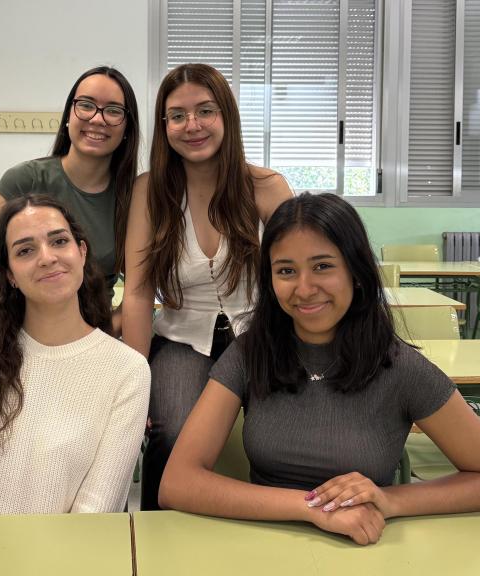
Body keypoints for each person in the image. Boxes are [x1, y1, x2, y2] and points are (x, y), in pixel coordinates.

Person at [157, 193, 480, 544]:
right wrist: (313, 508)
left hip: (364, 547)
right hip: (265, 543)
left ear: (356, 272)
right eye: (286, 271)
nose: (304, 288)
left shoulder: (400, 366)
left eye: (323, 266)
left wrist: (390, 501)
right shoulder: (250, 352)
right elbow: (177, 483)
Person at [0, 194, 150, 516]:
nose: (47, 258)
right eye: (25, 250)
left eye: (59, 241)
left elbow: (95, 510)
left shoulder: (127, 369)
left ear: (82, 251)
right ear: (9, 275)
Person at [123, 63, 294, 510]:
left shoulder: (265, 187)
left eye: (205, 111)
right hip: (180, 337)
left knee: (277, 439)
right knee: (172, 431)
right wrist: (135, 382)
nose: (192, 125)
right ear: (164, 126)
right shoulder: (148, 192)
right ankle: (164, 534)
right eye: (177, 115)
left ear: (227, 118)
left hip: (260, 334)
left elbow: (302, 276)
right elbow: (139, 293)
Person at [0, 66, 140, 295]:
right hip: (26, 324)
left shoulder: (134, 197)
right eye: (86, 105)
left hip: (97, 324)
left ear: (127, 126)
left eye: (113, 110)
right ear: (68, 115)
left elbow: (139, 290)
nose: (97, 119)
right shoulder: (21, 182)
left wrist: (104, 329)